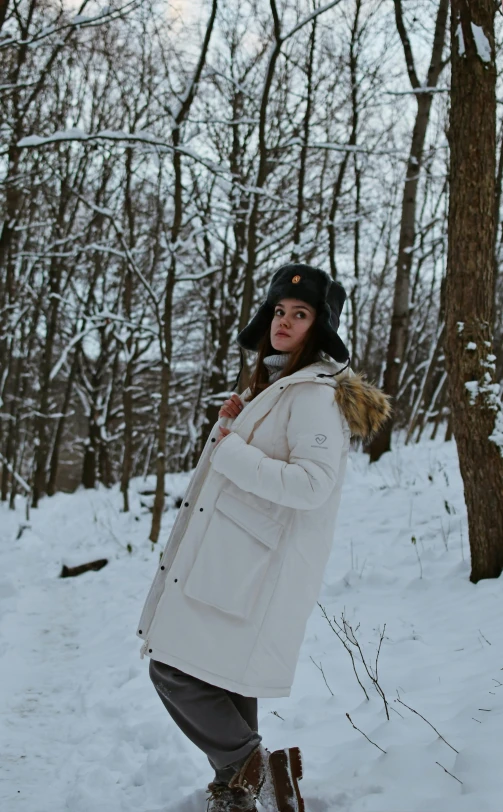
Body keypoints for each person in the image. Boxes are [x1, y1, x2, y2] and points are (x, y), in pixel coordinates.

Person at [136, 264, 391, 812]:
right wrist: (232, 423)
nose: (284, 322)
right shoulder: (276, 384)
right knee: (226, 679)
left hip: (253, 567)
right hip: (232, 563)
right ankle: (238, 792)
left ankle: (251, 768)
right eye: (279, 310)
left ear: (317, 328)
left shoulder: (315, 393)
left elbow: (312, 484)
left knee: (172, 668)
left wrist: (231, 447)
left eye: (300, 314)